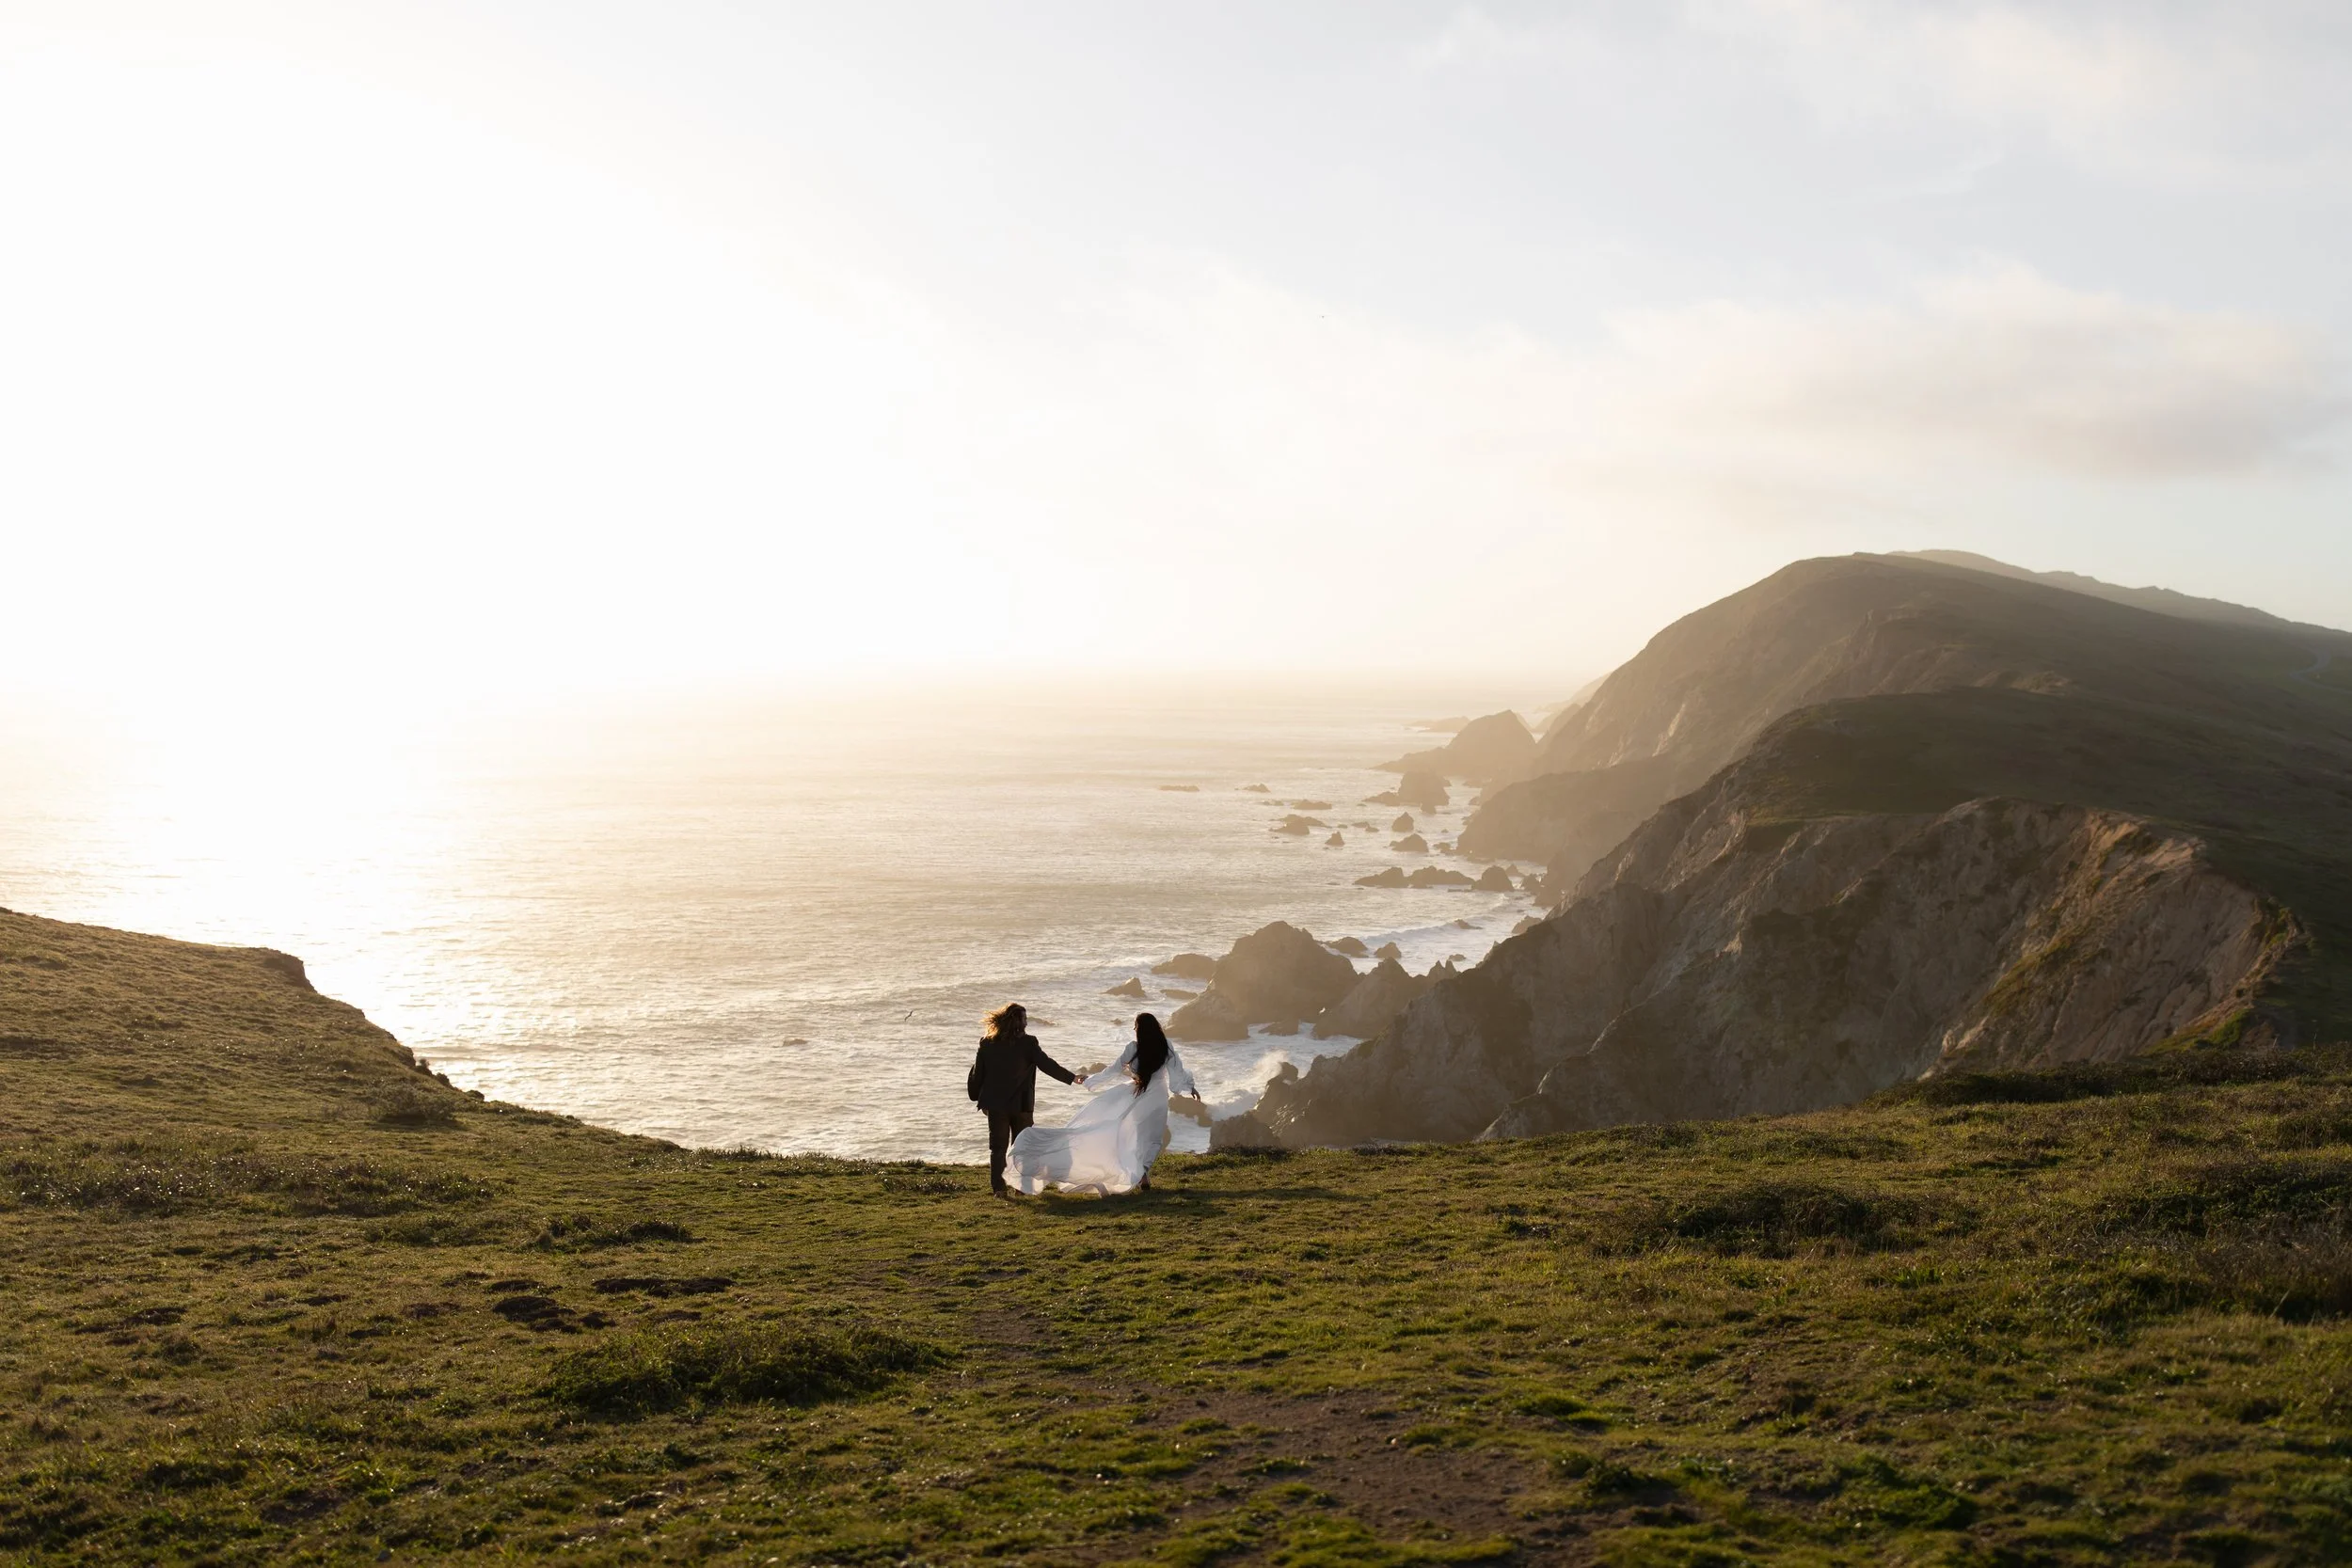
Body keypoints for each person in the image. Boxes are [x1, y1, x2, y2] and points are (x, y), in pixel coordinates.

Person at [1003, 1012, 1199, 1197]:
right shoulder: (1165, 1046)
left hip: (1137, 1096)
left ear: (1141, 1030)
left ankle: (1141, 1174)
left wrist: (1091, 1081)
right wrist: (1190, 1088)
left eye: (1135, 1026)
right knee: (1151, 1139)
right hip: (1156, 1099)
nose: (1133, 1028)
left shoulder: (1134, 1048)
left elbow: (1113, 1070)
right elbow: (1177, 1073)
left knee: (1128, 1134)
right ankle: (1143, 1173)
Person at [967, 1003, 1077, 1196]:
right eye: (1025, 1019)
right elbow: (1047, 1065)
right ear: (1018, 1022)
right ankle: (1021, 1188)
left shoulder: (987, 1043)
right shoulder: (1028, 1043)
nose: (1027, 1022)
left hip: (995, 1105)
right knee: (1023, 1148)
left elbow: (978, 1075)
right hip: (1021, 1106)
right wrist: (1071, 1078)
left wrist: (978, 1098)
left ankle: (999, 1190)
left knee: (998, 1149)